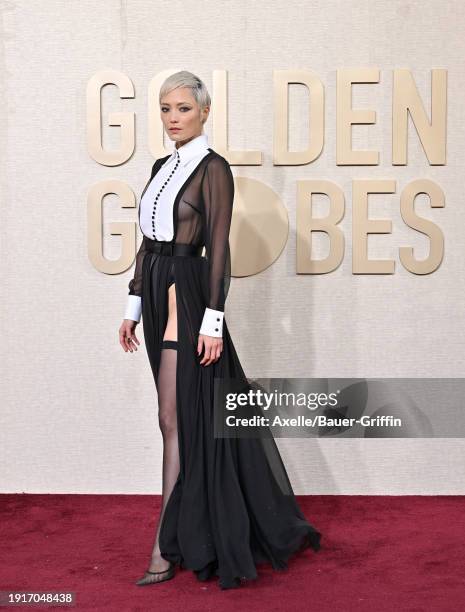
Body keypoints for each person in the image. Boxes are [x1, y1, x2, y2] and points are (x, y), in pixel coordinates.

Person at [118, 70, 322, 590]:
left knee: (173, 417)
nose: (172, 119)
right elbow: (147, 244)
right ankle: (189, 528)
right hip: (158, 291)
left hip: (188, 293)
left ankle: (164, 546)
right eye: (165, 109)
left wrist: (213, 320)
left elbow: (218, 250)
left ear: (204, 111)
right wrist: (132, 308)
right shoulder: (161, 165)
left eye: (182, 109)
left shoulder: (214, 169)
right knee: (175, 417)